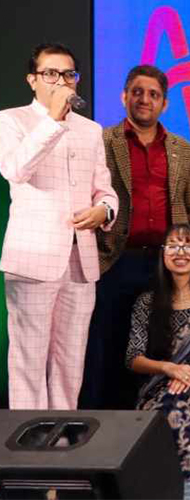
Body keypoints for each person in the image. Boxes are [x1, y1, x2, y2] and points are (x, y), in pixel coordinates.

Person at [0, 42, 118, 410]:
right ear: (32, 79)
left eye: (68, 74)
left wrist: (104, 210)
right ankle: (31, 437)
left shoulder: (91, 130)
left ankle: (65, 432)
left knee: (71, 359)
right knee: (29, 358)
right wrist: (52, 119)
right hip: (34, 258)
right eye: (50, 74)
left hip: (80, 258)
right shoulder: (11, 120)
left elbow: (105, 188)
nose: (61, 81)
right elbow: (16, 169)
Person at [80, 64, 190, 410]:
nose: (144, 99)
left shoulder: (184, 150)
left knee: (157, 347)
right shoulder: (102, 141)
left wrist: (187, 258)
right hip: (115, 260)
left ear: (165, 103)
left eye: (153, 94)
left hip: (166, 264)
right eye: (137, 92)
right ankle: (100, 425)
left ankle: (151, 421)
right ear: (124, 97)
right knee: (107, 346)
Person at [125, 224, 190, 480]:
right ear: (162, 253)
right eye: (173, 245)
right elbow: (133, 358)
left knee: (178, 410)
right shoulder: (147, 302)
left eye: (188, 246)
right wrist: (169, 368)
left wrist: (188, 376)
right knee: (162, 414)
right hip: (157, 388)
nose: (180, 252)